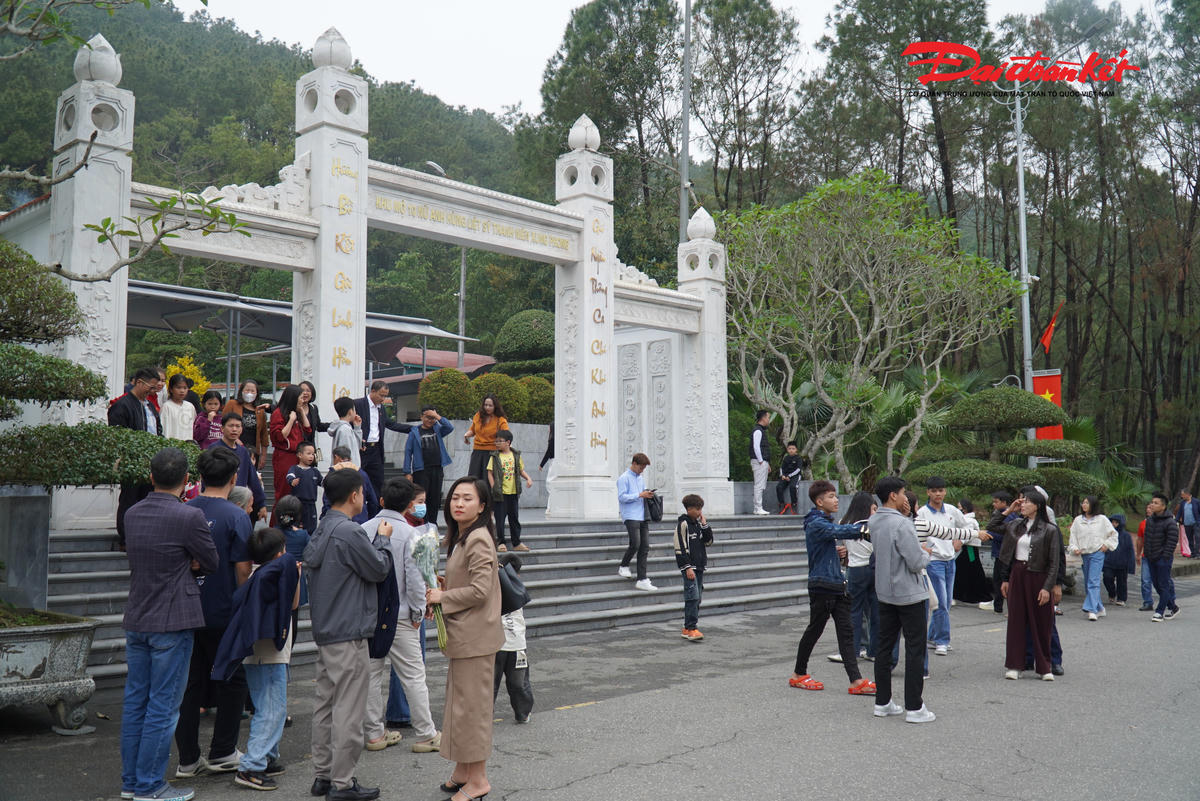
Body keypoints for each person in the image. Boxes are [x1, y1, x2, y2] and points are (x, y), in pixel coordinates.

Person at [120, 447, 218, 801]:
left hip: (138, 615)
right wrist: (190, 561)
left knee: (136, 702)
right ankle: (149, 784)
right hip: (173, 618)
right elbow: (211, 560)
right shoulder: (189, 516)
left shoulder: (133, 513)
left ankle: (132, 782)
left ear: (150, 477)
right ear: (187, 482)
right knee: (163, 706)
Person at [304, 468, 394, 801]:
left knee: (325, 705)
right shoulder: (350, 532)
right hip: (349, 631)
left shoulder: (323, 527)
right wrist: (382, 538)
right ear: (355, 495)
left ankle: (323, 775)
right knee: (349, 709)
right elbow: (379, 567)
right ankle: (343, 782)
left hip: (327, 629)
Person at [174, 446, 254, 779]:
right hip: (224, 610)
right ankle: (222, 750)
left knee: (189, 685)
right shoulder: (236, 515)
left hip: (185, 610)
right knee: (232, 681)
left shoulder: (184, 508)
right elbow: (243, 570)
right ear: (234, 478)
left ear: (200, 477)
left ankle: (188, 759)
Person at [425, 476, 503, 801]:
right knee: (460, 707)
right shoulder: (462, 536)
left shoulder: (478, 539)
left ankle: (479, 779)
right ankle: (463, 771)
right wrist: (442, 585)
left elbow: (480, 590)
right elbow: (468, 580)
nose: (459, 503)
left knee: (472, 710)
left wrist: (443, 597)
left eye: (467, 499)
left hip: (476, 637)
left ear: (482, 506)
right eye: (455, 497)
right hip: (465, 635)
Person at [209, 527, 300, 792]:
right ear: (280, 551)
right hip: (269, 653)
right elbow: (293, 606)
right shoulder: (278, 573)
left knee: (267, 706)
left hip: (258, 653)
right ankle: (252, 766)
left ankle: (267, 758)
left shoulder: (258, 576)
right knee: (272, 710)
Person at [361, 478, 442, 755]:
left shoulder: (362, 529)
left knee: (371, 674)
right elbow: (416, 580)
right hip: (402, 615)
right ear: (410, 505)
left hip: (369, 615)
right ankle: (426, 733)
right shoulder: (412, 534)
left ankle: (374, 733)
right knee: (413, 675)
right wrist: (420, 610)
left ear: (381, 501)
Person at [788, 480, 875, 696]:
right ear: (819, 501)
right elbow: (839, 530)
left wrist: (833, 553)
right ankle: (799, 674)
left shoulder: (823, 522)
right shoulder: (816, 523)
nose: (836, 500)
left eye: (836, 496)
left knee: (846, 633)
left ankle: (855, 681)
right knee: (814, 630)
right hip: (822, 586)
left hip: (836, 584)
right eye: (831, 496)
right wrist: (863, 529)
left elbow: (828, 538)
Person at [868, 476, 935, 724]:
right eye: (903, 492)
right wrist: (926, 554)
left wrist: (907, 516)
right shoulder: (903, 525)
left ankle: (883, 702)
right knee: (915, 650)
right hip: (909, 593)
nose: (906, 497)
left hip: (885, 592)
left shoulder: (874, 520)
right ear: (893, 495)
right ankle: (915, 707)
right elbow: (916, 562)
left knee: (884, 648)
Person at [998, 486, 1061, 680]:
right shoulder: (1016, 524)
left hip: (1039, 576)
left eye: (1027, 501)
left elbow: (1054, 562)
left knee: (1042, 622)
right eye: (1022, 501)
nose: (1022, 504)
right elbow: (993, 525)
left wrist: (1048, 587)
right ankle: (1015, 665)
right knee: (1016, 620)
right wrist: (1009, 510)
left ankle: (1045, 667)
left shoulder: (1050, 529)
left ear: (1038, 506)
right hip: (1018, 573)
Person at [109, 366, 163, 548]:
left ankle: (144, 537)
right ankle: (126, 539)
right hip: (131, 463)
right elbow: (118, 436)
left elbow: (158, 432)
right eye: (152, 387)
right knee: (130, 500)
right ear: (140, 383)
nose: (154, 391)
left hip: (151, 462)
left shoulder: (149, 406)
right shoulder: (122, 405)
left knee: (147, 500)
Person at [916, 476, 966, 656]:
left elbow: (966, 524)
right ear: (928, 492)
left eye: (941, 490)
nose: (938, 494)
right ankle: (942, 641)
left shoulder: (952, 510)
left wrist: (961, 538)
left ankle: (932, 636)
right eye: (934, 491)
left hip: (950, 560)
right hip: (933, 561)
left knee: (946, 602)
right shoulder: (922, 512)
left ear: (945, 491)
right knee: (941, 603)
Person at [493, 553, 534, 723]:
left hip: (515, 643)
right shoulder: (495, 585)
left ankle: (523, 713)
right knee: (492, 685)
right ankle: (483, 716)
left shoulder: (517, 588)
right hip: (498, 644)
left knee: (518, 684)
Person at [355, 380, 411, 497]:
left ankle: (377, 510)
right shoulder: (358, 404)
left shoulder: (381, 409)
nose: (383, 399)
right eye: (381, 395)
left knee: (378, 483)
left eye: (385, 396)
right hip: (361, 449)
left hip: (376, 450)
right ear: (373, 391)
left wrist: (413, 429)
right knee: (357, 480)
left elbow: (391, 424)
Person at [206, 413, 267, 522]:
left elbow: (253, 479)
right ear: (222, 428)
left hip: (239, 502)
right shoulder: (213, 449)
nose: (234, 429)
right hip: (217, 501)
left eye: (238, 426)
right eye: (231, 426)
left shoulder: (243, 452)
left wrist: (261, 504)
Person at [840, 491, 878, 662]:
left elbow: (845, 547)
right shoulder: (874, 524)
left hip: (855, 569)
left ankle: (853, 651)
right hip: (874, 569)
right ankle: (874, 651)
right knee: (875, 612)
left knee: (854, 612)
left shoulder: (845, 522)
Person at [1069, 496, 1118, 621]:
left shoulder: (1102, 519)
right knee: (1088, 583)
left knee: (1093, 581)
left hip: (1097, 553)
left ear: (1093, 505)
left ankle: (1091, 609)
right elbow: (1073, 536)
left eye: (1087, 503)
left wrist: (1106, 545)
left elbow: (1113, 534)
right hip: (1085, 554)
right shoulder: (1078, 520)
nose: (1084, 505)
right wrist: (1075, 548)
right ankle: (1100, 608)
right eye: (1083, 502)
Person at [404, 405, 453, 527]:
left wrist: (437, 416)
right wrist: (407, 472)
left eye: (432, 418)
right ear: (421, 417)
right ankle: (422, 524)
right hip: (421, 470)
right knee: (421, 498)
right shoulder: (414, 432)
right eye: (428, 417)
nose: (430, 420)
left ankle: (433, 525)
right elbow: (408, 452)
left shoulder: (437, 429)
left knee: (435, 499)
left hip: (437, 468)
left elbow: (449, 427)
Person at [673, 494, 714, 641]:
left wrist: (705, 525)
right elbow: (680, 548)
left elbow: (708, 542)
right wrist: (687, 567)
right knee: (692, 597)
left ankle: (688, 626)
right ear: (689, 509)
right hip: (690, 568)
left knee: (698, 597)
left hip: (700, 566)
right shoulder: (683, 525)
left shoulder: (697, 524)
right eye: (698, 509)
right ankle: (691, 628)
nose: (700, 512)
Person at [487, 430, 533, 553]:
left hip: (513, 492)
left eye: (500, 441)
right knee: (500, 519)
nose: (497, 443)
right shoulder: (495, 456)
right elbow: (490, 473)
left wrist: (528, 478)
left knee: (514, 518)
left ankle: (516, 542)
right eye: (496, 441)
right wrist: (493, 487)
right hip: (500, 493)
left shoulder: (516, 455)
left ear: (508, 442)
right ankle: (501, 542)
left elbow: (521, 470)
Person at [616, 453, 655, 591]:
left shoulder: (640, 478)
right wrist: (639, 495)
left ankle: (642, 578)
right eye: (641, 467)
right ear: (634, 463)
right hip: (630, 515)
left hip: (642, 515)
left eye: (644, 468)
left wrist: (647, 493)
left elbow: (642, 493)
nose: (642, 470)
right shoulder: (623, 478)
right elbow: (622, 497)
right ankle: (624, 565)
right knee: (636, 543)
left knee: (645, 546)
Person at [269, 385, 309, 512]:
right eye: (300, 398)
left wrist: (301, 412)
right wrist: (291, 420)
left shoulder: (297, 413)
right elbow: (280, 436)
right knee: (284, 493)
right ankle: (278, 527)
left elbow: (308, 430)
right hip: (285, 457)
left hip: (298, 457)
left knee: (297, 494)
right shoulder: (278, 413)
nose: (303, 401)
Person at [1143, 491, 1180, 621]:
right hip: (1151, 558)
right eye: (1152, 502)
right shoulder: (1150, 520)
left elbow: (1172, 541)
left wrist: (1165, 556)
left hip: (1163, 559)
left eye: (1156, 503)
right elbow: (1147, 539)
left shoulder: (1170, 522)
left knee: (1163, 584)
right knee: (1157, 584)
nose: (1152, 505)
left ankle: (1159, 612)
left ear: (1163, 506)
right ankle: (1173, 607)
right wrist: (1147, 554)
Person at [321, 446, 380, 525]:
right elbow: (373, 501)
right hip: (361, 520)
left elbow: (327, 501)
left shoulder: (333, 473)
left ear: (336, 457)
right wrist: (369, 520)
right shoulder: (362, 473)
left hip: (337, 522)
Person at [951, 499, 992, 605]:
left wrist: (959, 542)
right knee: (964, 571)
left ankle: (982, 597)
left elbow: (967, 534)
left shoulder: (968, 520)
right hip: (967, 549)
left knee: (972, 570)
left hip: (969, 549)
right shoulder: (966, 519)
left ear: (964, 508)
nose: (958, 509)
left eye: (959, 507)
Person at [980, 491, 1015, 613]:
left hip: (1004, 554)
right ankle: (998, 606)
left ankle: (1006, 607)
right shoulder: (998, 514)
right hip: (998, 553)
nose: (994, 504)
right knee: (998, 581)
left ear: (1004, 502)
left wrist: (990, 535)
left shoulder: (1009, 517)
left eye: (996, 502)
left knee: (1003, 581)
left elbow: (1005, 535)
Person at [223, 380, 269, 469]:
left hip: (253, 451)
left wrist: (263, 455)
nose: (249, 393)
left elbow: (264, 435)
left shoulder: (260, 410)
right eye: (247, 390)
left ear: (257, 393)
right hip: (234, 448)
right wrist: (235, 439)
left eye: (252, 391)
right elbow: (223, 423)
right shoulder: (232, 404)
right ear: (241, 391)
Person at [463, 394, 509, 480]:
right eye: (485, 405)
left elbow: (506, 434)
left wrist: (506, 448)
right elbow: (472, 430)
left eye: (490, 405)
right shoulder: (478, 415)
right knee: (473, 479)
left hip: (492, 453)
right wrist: (466, 435)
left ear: (495, 406)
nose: (487, 407)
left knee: (488, 480)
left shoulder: (500, 419)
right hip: (477, 452)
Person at [285, 441, 322, 534]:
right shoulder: (294, 469)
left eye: (313, 454)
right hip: (297, 505)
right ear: (300, 455)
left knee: (311, 528)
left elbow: (324, 482)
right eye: (308, 453)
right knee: (295, 526)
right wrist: (292, 481)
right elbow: (289, 476)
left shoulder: (315, 472)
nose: (311, 456)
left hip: (311, 505)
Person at [1103, 514, 1136, 607]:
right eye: (1112, 522)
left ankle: (1121, 598)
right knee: (1107, 578)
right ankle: (1112, 593)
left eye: (1116, 522)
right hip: (1108, 562)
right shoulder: (1107, 534)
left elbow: (1130, 550)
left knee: (1122, 581)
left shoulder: (1126, 536)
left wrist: (1131, 565)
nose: (1114, 524)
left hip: (1122, 563)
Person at [160, 374, 196, 442]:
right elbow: (164, 429)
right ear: (171, 389)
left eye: (185, 388)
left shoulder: (190, 406)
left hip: (188, 445)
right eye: (178, 388)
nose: (182, 391)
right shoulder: (167, 407)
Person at [749, 410, 771, 515]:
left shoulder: (760, 430)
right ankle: (758, 507)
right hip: (759, 461)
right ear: (763, 418)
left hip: (762, 461)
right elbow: (756, 447)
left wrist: (766, 463)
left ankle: (758, 507)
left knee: (761, 484)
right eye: (768, 417)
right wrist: (761, 461)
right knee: (759, 485)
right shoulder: (758, 431)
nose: (768, 420)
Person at [297, 380, 330, 446]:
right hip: (296, 447)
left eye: (308, 390)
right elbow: (280, 408)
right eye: (302, 390)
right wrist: (270, 407)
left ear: (312, 393)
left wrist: (335, 425)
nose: (305, 393)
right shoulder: (292, 407)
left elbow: (319, 426)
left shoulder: (313, 408)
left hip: (309, 448)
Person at [775, 441, 804, 514]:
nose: (791, 450)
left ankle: (794, 504)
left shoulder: (799, 458)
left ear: (796, 449)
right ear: (787, 450)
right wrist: (783, 475)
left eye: (793, 448)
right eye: (789, 448)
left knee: (793, 487)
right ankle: (782, 504)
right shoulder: (786, 458)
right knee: (779, 487)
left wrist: (789, 476)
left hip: (795, 476)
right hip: (785, 476)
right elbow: (782, 468)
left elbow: (798, 469)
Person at [1174, 489, 1200, 558]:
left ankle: (1197, 553)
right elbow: (1179, 513)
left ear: (1187, 494)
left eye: (1182, 495)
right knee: (1190, 539)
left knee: (1197, 538)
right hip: (1187, 524)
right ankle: (1193, 553)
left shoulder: (1196, 501)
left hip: (1196, 524)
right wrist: (1175, 521)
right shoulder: (1182, 503)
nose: (1181, 496)